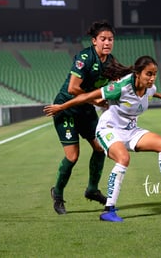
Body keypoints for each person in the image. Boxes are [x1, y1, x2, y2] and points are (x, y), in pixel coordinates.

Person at [44, 55, 161, 222]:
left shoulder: (149, 88)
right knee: (123, 158)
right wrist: (61, 106)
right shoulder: (120, 87)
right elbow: (86, 97)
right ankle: (109, 210)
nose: (152, 78)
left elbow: (151, 92)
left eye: (154, 74)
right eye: (148, 74)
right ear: (137, 73)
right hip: (108, 129)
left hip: (131, 131)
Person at [49, 21, 126, 215]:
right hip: (66, 108)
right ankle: (57, 194)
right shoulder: (85, 57)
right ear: (94, 41)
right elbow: (73, 88)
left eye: (110, 39)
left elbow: (122, 80)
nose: (107, 42)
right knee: (73, 156)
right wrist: (98, 101)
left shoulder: (110, 61)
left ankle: (92, 189)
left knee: (100, 148)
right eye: (103, 39)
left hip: (86, 109)